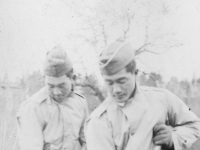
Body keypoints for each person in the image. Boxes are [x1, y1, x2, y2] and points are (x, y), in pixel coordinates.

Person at [84, 38, 200, 150]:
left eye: (121, 81)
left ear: (135, 73)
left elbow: (194, 125)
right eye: (109, 83)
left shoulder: (161, 99)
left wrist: (173, 138)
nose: (116, 90)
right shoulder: (98, 121)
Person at [17, 46, 89, 150]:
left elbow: (88, 142)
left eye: (61, 86)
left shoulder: (80, 103)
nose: (56, 92)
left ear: (73, 79)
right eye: (50, 86)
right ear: (44, 80)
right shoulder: (34, 107)